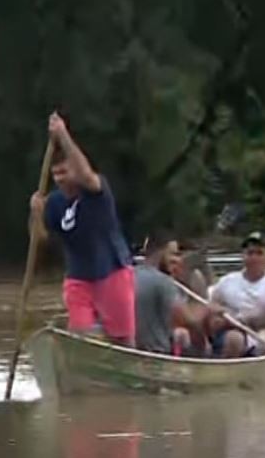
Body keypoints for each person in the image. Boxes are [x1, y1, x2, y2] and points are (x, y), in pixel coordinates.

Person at [29, 112, 134, 345]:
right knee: (81, 339)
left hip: (111, 271)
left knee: (124, 340)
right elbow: (41, 240)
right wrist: (35, 216)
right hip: (79, 277)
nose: (59, 179)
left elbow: (86, 174)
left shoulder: (97, 190)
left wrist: (63, 134)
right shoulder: (55, 203)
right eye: (55, 174)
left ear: (75, 170)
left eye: (64, 172)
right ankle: (80, 373)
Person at [207, 231, 265, 358]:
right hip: (230, 332)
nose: (254, 258)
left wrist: (244, 321)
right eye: (250, 253)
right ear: (243, 256)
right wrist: (216, 313)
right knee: (233, 338)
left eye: (259, 253)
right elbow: (212, 304)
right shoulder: (227, 281)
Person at [134, 232, 203, 355]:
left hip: (130, 350)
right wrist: (207, 307)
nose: (177, 260)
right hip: (156, 353)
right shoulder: (164, 282)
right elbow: (188, 320)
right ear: (161, 252)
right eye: (173, 254)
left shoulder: (128, 275)